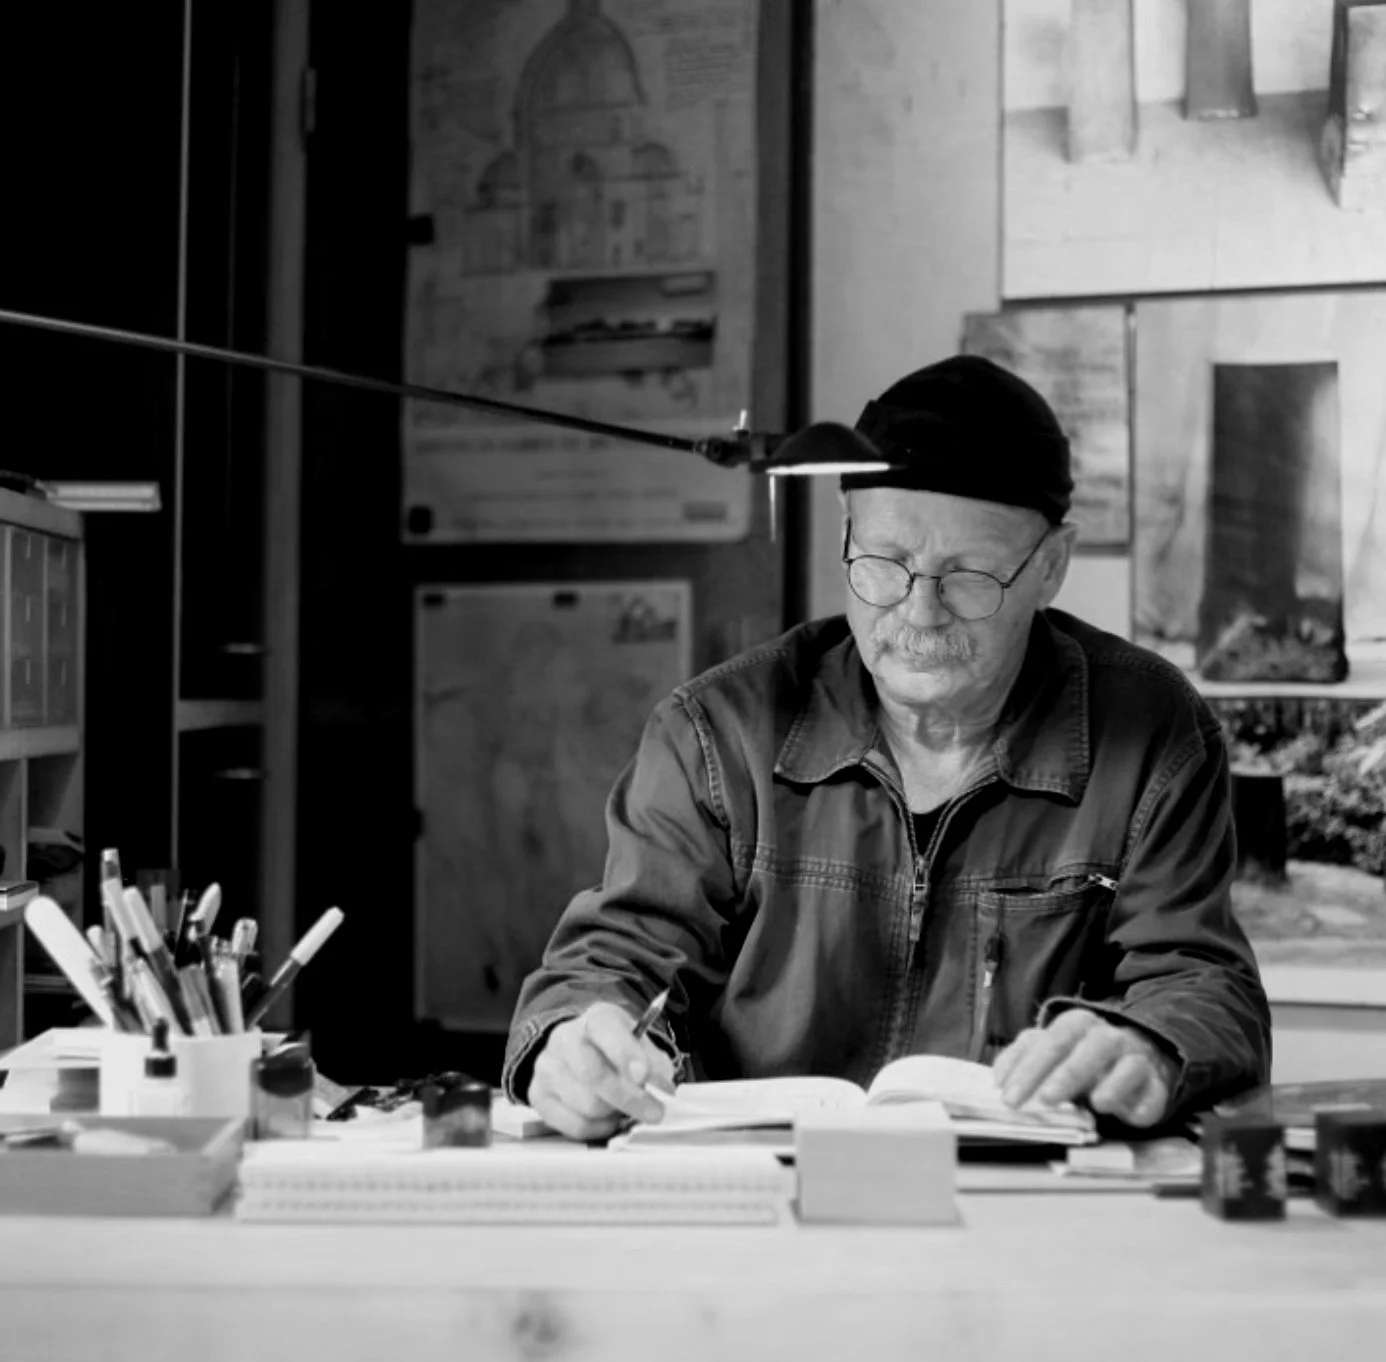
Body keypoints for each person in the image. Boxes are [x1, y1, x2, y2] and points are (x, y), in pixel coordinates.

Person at [504, 355, 1271, 1142]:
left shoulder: (1150, 731)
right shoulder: (717, 731)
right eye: (886, 563)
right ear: (845, 533)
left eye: (969, 575)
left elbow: (1201, 979)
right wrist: (573, 1042)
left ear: (1050, 567)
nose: (920, 611)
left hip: (1019, 1207)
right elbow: (615, 957)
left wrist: (1149, 1044)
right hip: (763, 1198)